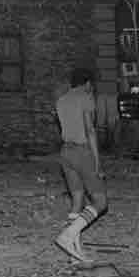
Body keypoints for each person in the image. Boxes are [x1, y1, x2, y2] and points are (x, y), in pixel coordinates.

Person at [54, 67, 109, 263]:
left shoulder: (61, 100)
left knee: (77, 200)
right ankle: (68, 236)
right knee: (101, 202)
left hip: (65, 153)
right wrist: (97, 163)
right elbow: (90, 131)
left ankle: (74, 254)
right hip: (82, 152)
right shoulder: (86, 97)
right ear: (87, 83)